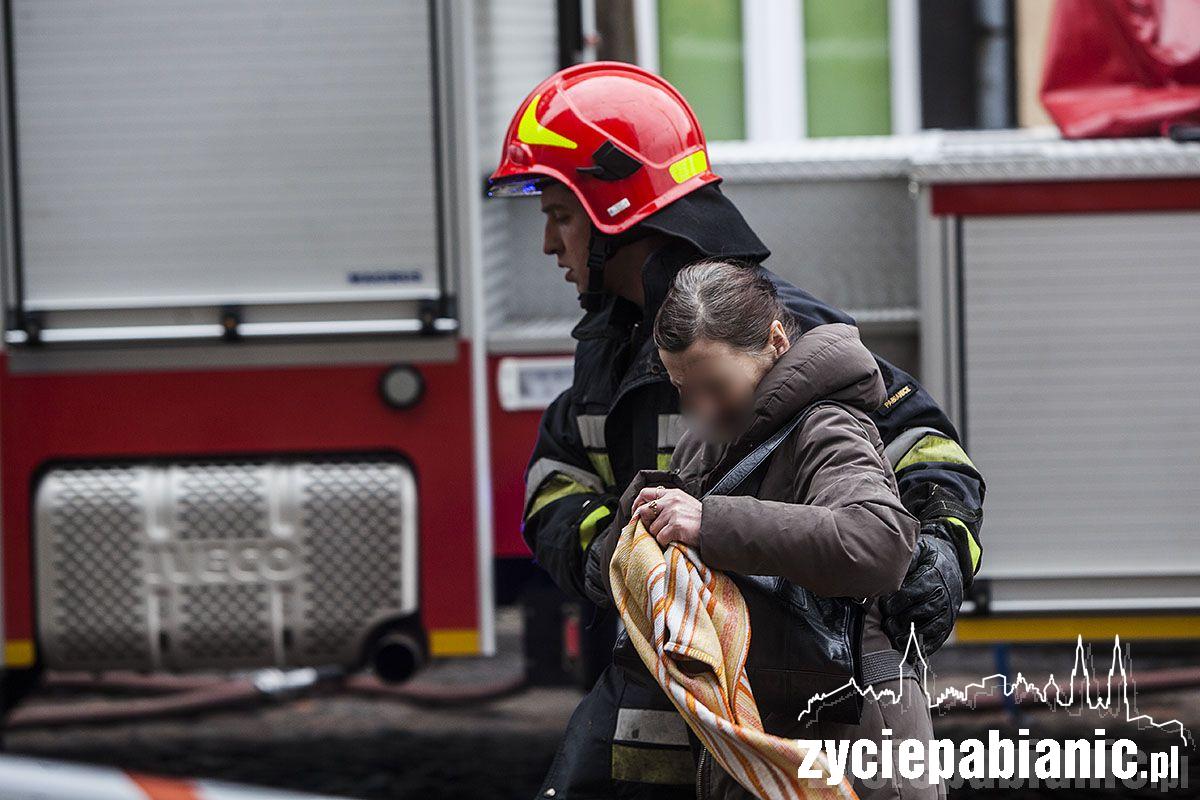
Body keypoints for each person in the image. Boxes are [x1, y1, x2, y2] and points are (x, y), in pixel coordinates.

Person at [487, 62, 984, 799]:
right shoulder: (617, 345)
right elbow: (556, 477)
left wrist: (940, 550)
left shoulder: (777, 336)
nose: (549, 245)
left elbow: (926, 453)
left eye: (560, 215)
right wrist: (611, 558)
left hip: (787, 703)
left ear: (614, 211)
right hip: (669, 694)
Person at [610, 260, 941, 800]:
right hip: (776, 731)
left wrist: (711, 522)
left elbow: (878, 542)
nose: (703, 409)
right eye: (685, 390)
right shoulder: (709, 440)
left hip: (857, 740)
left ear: (777, 341)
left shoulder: (827, 424)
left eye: (717, 386)